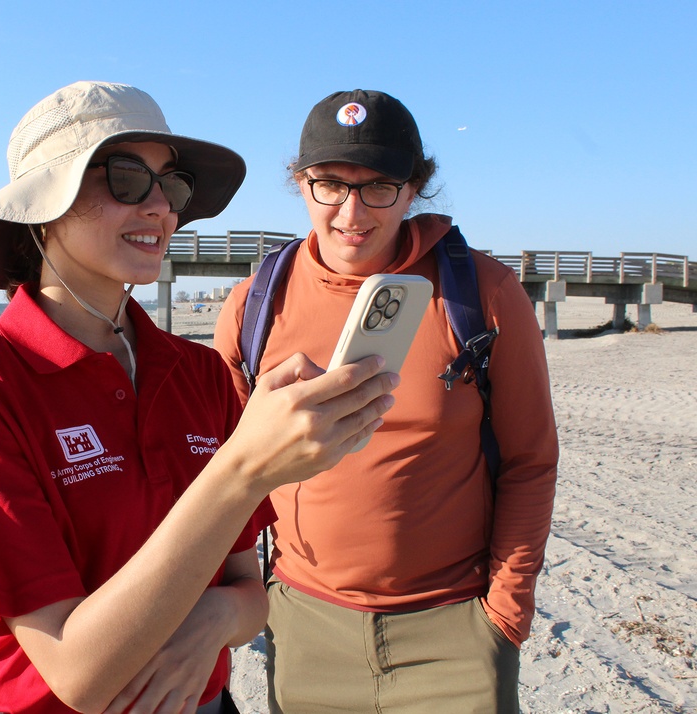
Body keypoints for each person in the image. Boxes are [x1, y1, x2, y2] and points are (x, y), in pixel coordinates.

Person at [0, 81, 398, 714]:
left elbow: (248, 593)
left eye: (171, 185)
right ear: (43, 206)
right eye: (125, 178)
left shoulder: (198, 373)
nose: (161, 208)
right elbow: (76, 675)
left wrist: (211, 625)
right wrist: (245, 466)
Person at [214, 90, 559, 713]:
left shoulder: (484, 292)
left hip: (455, 629)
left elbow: (531, 460)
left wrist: (505, 611)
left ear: (414, 188)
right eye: (329, 185)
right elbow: (223, 470)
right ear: (300, 184)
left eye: (379, 187)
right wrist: (248, 596)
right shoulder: (253, 306)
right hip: (304, 626)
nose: (352, 211)